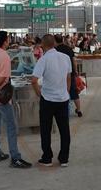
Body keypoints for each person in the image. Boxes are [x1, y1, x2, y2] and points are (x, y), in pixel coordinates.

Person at [0, 31, 31, 169]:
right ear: (5, 41)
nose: (9, 40)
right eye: (8, 38)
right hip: (1, 98)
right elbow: (3, 77)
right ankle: (15, 158)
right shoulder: (4, 55)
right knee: (11, 126)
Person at [31, 35, 72, 167]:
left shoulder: (43, 59)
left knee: (46, 130)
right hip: (63, 99)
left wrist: (39, 94)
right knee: (64, 129)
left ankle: (47, 158)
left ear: (42, 45)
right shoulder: (65, 57)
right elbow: (68, 76)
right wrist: (66, 91)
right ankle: (64, 159)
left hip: (48, 99)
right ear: (54, 43)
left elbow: (34, 80)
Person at [55, 34, 82, 118]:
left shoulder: (55, 50)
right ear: (62, 40)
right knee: (73, 91)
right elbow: (74, 60)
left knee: (60, 91)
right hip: (70, 72)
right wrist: (76, 70)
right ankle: (79, 110)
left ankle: (61, 111)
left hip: (59, 74)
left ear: (55, 41)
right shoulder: (68, 48)